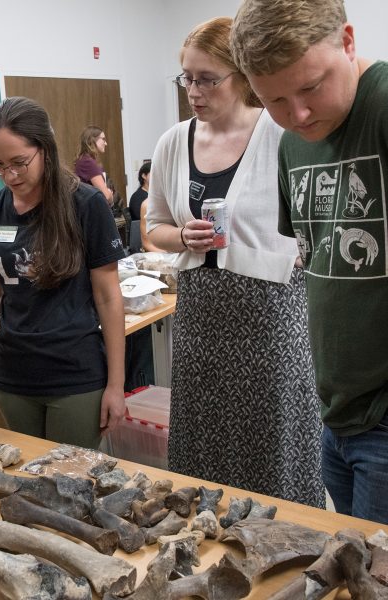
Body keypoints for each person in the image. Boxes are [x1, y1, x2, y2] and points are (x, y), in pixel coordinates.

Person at [147, 17, 324, 507]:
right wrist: (183, 235)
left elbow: (313, 222)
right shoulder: (173, 142)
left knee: (272, 450)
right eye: (187, 78)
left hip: (271, 319)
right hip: (202, 319)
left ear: (242, 76)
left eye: (207, 79)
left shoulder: (282, 133)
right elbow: (154, 226)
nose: (194, 92)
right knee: (204, 448)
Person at [231, 0, 388, 523]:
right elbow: (322, 269)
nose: (296, 114)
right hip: (338, 412)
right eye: (272, 99)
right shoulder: (294, 144)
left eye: (311, 86)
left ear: (347, 41)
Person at [0, 97, 126, 449]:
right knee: (23, 481)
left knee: (69, 484)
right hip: (13, 376)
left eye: (20, 163)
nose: (10, 175)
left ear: (46, 150)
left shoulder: (85, 205)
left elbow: (109, 297)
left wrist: (116, 385)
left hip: (75, 377)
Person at [74, 125, 114, 205]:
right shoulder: (87, 162)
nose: (106, 143)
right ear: (92, 139)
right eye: (103, 139)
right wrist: (109, 193)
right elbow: (105, 196)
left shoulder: (88, 160)